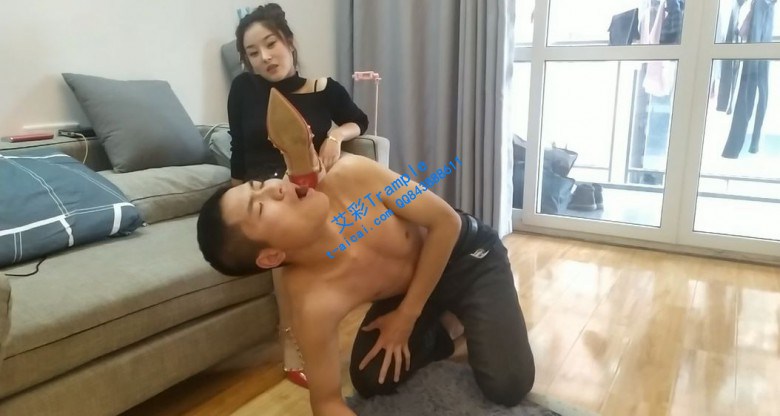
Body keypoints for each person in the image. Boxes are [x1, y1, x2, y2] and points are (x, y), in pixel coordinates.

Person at [197, 91, 535, 415]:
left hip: (466, 255)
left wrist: (407, 316)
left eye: (259, 185)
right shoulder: (311, 302)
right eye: (260, 207)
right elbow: (326, 403)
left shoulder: (350, 175)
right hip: (409, 288)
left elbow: (446, 223)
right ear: (271, 257)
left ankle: (472, 308)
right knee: (371, 377)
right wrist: (406, 312)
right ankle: (451, 322)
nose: (275, 187)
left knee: (508, 384)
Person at [227, 3, 370, 387]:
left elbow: (359, 120)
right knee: (287, 239)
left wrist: (336, 136)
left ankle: (328, 329)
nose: (264, 57)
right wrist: (238, 200)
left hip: (309, 188)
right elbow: (238, 148)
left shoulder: (325, 89)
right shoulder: (243, 89)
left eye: (270, 44)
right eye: (253, 52)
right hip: (266, 192)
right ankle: (292, 345)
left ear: (289, 42)